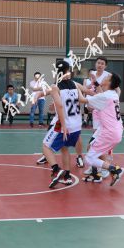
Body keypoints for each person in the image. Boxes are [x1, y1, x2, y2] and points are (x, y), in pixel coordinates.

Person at [78, 73, 124, 186]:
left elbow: (82, 99)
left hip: (109, 132)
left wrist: (76, 87)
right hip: (115, 130)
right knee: (91, 147)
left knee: (89, 159)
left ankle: (114, 169)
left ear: (109, 82)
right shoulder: (112, 94)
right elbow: (99, 97)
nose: (104, 77)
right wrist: (95, 83)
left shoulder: (105, 97)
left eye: (107, 77)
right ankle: (99, 173)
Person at [42, 59, 83, 188]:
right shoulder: (75, 85)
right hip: (77, 124)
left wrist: (64, 125)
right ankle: (67, 177)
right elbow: (82, 98)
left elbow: (60, 106)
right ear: (68, 71)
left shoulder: (56, 86)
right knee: (64, 149)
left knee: (46, 147)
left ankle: (56, 170)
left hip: (64, 124)